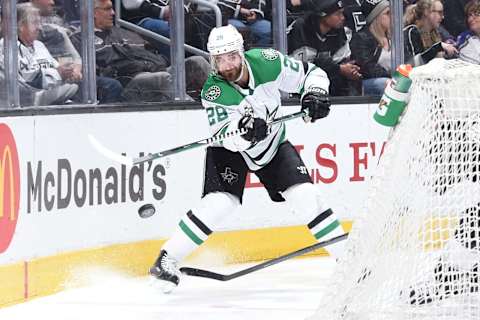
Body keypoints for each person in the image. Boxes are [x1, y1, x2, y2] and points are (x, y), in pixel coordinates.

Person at [148, 24, 347, 292]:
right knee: (220, 203)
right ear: (212, 61)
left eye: (231, 56)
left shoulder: (268, 62)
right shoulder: (214, 91)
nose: (227, 65)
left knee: (306, 196)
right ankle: (166, 260)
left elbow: (312, 73)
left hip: (272, 143)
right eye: (219, 60)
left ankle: (348, 262)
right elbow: (223, 135)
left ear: (242, 53)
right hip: (230, 150)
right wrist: (245, 132)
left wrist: (315, 93)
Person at [71, 0, 209, 102]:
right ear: (93, 13)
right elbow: (106, 67)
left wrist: (153, 63)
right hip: (130, 82)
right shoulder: (81, 38)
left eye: (112, 9)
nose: (113, 13)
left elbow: (155, 54)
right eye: (107, 9)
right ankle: (192, 111)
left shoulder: (124, 32)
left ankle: (225, 100)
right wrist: (142, 65)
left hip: (154, 72)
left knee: (197, 62)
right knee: (162, 78)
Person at [31, 0, 124, 104]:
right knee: (111, 85)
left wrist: (75, 68)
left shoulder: (56, 32)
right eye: (33, 23)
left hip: (66, 75)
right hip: (46, 83)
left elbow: (71, 55)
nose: (53, 2)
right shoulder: (22, 41)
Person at [0, 3, 79, 106]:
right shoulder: (7, 47)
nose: (40, 27)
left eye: (40, 22)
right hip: (26, 106)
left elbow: (57, 67)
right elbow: (28, 82)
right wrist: (59, 74)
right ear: (20, 26)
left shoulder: (39, 45)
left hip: (50, 101)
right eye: (35, 23)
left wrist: (69, 72)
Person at [287, 0, 362, 96]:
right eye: (338, 14)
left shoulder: (339, 30)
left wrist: (350, 69)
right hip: (295, 86)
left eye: (342, 13)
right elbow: (300, 69)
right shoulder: (300, 29)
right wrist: (338, 69)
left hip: (325, 82)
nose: (342, 17)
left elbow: (342, 61)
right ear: (323, 14)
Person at [350, 0, 391, 95]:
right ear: (376, 17)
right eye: (388, 13)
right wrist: (393, 75)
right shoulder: (361, 37)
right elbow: (367, 68)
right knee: (388, 84)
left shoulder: (395, 37)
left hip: (392, 80)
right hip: (368, 82)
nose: (392, 17)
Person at [403, 0, 457, 66]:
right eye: (439, 12)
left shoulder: (435, 33)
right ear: (426, 12)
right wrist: (438, 46)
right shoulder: (411, 31)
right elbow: (412, 64)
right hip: (406, 75)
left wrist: (445, 55)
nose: (442, 17)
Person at [457, 0, 480, 64]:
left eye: (477, 14)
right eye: (469, 15)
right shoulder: (464, 38)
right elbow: (476, 63)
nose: (471, 19)